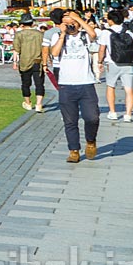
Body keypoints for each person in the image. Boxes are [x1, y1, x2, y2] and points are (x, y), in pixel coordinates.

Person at [48, 8, 100, 163]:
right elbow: (55, 53)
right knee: (70, 121)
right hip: (66, 84)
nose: (70, 26)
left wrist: (79, 19)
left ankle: (90, 141)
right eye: (66, 23)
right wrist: (63, 34)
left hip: (86, 83)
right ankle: (74, 150)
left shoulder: (84, 35)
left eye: (72, 23)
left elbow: (93, 35)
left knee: (92, 117)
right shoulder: (57, 36)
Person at [99, 9, 133, 122]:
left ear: (110, 20)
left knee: (111, 87)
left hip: (112, 63)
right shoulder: (128, 32)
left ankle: (113, 112)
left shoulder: (106, 32)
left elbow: (102, 49)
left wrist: (99, 62)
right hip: (128, 63)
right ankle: (128, 114)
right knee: (129, 89)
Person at [12, 11, 47, 112]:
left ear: (22, 24)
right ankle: (39, 104)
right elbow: (44, 49)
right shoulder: (40, 34)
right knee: (39, 83)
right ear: (32, 23)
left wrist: (15, 62)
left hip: (24, 61)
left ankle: (28, 103)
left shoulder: (19, 34)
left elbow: (16, 50)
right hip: (38, 61)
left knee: (25, 83)